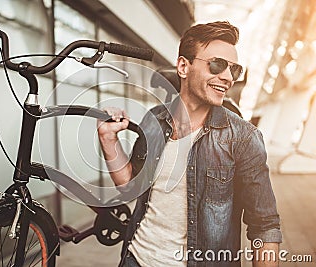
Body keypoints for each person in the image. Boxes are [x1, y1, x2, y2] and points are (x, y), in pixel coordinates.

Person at [97, 21, 282, 267]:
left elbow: (265, 226)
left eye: (234, 70)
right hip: (135, 259)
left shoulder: (243, 137)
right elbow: (130, 185)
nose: (227, 77)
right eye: (217, 65)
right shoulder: (154, 119)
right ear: (184, 66)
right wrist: (109, 140)